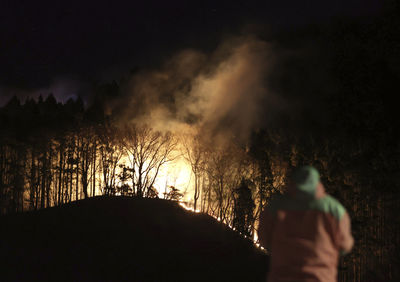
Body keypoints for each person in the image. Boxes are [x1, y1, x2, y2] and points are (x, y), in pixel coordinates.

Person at [258, 166, 354, 282]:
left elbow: (264, 239)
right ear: (318, 182)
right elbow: (345, 245)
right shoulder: (334, 209)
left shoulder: (275, 207)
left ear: (293, 181)